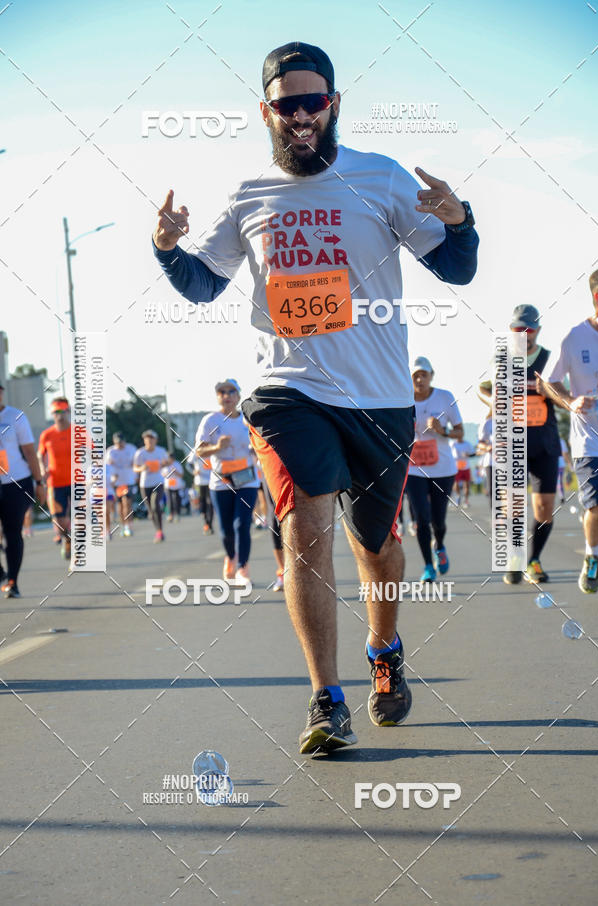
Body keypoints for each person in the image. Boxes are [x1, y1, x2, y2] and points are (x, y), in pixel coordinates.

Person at [152, 42, 478, 754]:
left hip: (380, 398)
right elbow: (204, 284)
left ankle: (384, 649)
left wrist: (460, 221)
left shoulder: (379, 177)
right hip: (286, 392)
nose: (301, 116)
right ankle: (326, 701)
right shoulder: (248, 195)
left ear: (333, 105)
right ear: (265, 111)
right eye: (287, 105)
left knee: (377, 545)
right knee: (303, 531)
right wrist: (168, 250)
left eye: (313, 102)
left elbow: (456, 269)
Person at [481, 305, 561, 585]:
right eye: (518, 330)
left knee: (544, 508)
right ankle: (515, 557)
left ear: (537, 331)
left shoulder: (549, 359)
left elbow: (564, 394)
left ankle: (534, 560)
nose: (523, 335)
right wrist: (493, 403)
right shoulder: (502, 359)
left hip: (544, 443)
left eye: (529, 330)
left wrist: (549, 391)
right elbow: (485, 389)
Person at [539, 269, 598, 593]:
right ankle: (593, 556)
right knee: (596, 507)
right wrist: (571, 401)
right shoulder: (575, 338)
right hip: (590, 443)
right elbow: (548, 382)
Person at [195, 380, 260, 583]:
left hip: (247, 479)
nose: (227, 395)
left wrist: (255, 450)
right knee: (226, 530)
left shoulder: (247, 420)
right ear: (217, 397)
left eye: (231, 391)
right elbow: (199, 451)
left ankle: (243, 568)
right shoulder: (210, 421)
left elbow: (261, 443)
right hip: (221, 481)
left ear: (238, 396)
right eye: (222, 392)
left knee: (242, 524)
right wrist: (217, 448)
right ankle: (231, 557)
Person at [405, 358, 464, 582]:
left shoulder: (445, 397)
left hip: (443, 469)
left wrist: (442, 430)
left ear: (431, 376)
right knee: (421, 517)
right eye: (415, 375)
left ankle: (439, 545)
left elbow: (459, 431)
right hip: (415, 469)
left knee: (438, 521)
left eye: (424, 375)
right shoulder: (402, 399)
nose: (420, 379)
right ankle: (428, 566)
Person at [0, 383, 45, 597]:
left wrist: (39, 482)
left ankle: (12, 581)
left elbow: (29, 451)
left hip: (16, 482)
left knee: (12, 532)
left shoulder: (15, 417)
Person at [38, 397, 72, 562]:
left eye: (61, 411)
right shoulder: (47, 435)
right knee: (59, 521)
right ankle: (67, 539)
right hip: (55, 483)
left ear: (68, 411)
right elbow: (40, 454)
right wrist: (42, 468)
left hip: (77, 482)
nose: (58, 415)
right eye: (55, 412)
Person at [133, 430, 168, 542]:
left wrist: (164, 464)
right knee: (151, 511)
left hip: (158, 482)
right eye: (147, 438)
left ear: (155, 440)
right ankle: (158, 530)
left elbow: (167, 462)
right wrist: (141, 468)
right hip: (145, 484)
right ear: (144, 440)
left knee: (155, 505)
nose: (149, 440)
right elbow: (135, 467)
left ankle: (160, 531)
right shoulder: (140, 453)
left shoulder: (161, 451)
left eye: (151, 438)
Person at [105, 431, 137, 537]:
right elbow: (107, 467)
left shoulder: (131, 449)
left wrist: (137, 475)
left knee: (127, 503)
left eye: (121, 442)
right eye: (117, 442)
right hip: (117, 482)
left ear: (124, 441)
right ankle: (124, 525)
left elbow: (136, 463)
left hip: (129, 480)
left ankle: (129, 525)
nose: (119, 444)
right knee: (120, 505)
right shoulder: (110, 451)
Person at [186, 449, 214, 534]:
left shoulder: (213, 447)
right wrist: (193, 471)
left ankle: (210, 524)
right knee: (203, 503)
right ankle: (206, 523)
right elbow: (188, 464)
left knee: (210, 503)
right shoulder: (195, 451)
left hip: (212, 481)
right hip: (200, 482)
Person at [451, 436, 475, 507]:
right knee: (455, 483)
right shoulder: (452, 444)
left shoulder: (467, 444)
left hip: (466, 467)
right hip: (456, 467)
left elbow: (474, 453)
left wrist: (468, 455)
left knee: (467, 484)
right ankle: (458, 496)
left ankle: (466, 500)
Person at [162, 453, 184, 522]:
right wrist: (166, 474)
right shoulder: (165, 465)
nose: (169, 460)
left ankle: (177, 515)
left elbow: (181, 475)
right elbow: (162, 474)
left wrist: (175, 471)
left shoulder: (177, 464)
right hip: (168, 485)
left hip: (177, 485)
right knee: (169, 501)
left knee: (177, 500)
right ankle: (170, 515)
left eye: (171, 458)